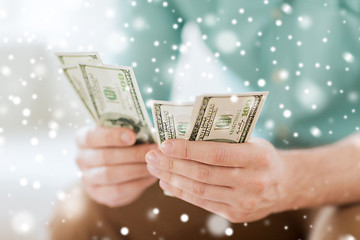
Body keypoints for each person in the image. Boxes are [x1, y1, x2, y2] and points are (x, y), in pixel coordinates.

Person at [50, 1, 360, 239]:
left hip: (349, 171)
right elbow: (134, 101)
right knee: (81, 216)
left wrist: (291, 181)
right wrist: (113, 162)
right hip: (270, 156)